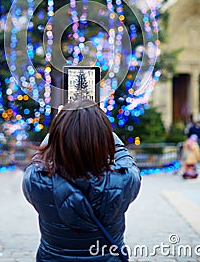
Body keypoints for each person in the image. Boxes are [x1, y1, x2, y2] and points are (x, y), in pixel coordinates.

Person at [22, 99, 141, 261]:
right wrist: (106, 133)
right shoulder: (124, 180)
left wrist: (54, 134)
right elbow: (127, 160)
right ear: (104, 139)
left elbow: (37, 160)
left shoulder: (37, 181)